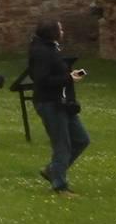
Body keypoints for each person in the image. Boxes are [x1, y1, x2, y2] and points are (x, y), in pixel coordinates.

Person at [29, 20, 89, 196]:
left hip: (63, 103)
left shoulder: (52, 48)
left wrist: (68, 75)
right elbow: (42, 80)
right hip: (49, 103)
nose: (63, 31)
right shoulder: (41, 52)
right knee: (62, 144)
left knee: (81, 139)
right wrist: (68, 78)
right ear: (52, 32)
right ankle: (60, 185)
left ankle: (52, 170)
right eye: (60, 28)